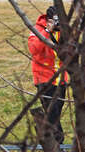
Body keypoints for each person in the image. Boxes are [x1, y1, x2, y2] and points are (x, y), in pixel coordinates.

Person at [29, 6, 67, 144]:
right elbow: (34, 49)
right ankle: (58, 146)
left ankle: (47, 139)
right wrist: (47, 31)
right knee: (52, 114)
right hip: (44, 80)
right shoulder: (38, 30)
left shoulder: (64, 31)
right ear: (48, 20)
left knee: (55, 114)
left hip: (61, 80)